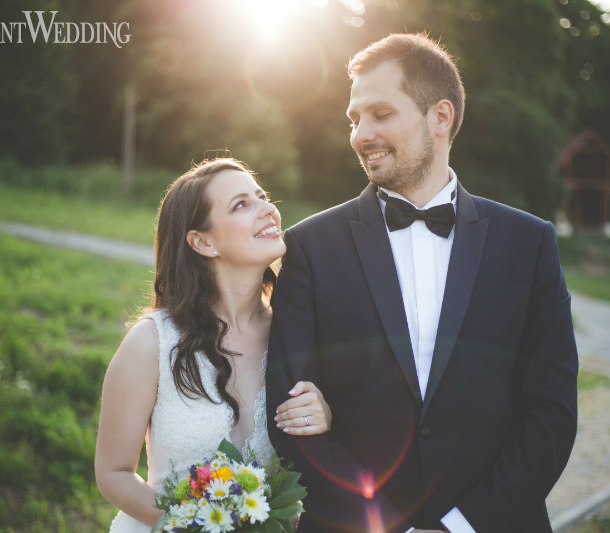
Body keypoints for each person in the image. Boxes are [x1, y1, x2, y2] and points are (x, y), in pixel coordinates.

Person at [267, 33, 578, 533]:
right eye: (354, 119)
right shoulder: (308, 247)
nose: (360, 134)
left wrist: (461, 526)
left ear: (441, 116)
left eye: (381, 114)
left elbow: (550, 412)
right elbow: (291, 415)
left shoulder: (529, 243)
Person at [96, 158, 332, 532]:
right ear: (202, 242)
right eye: (242, 205)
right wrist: (193, 524)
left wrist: (325, 417)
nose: (268, 210)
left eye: (262, 196)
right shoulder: (151, 343)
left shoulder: (298, 335)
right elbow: (113, 473)